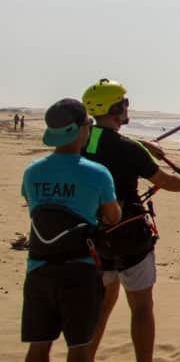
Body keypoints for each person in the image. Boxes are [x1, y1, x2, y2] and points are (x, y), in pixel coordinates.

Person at [79, 79, 180, 362]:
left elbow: (106, 139)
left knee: (102, 304)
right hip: (129, 236)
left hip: (95, 237)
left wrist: (143, 142)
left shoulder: (84, 142)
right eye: (124, 103)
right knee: (140, 306)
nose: (127, 107)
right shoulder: (128, 148)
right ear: (115, 109)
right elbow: (163, 180)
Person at [21, 98, 121, 362]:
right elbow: (113, 217)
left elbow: (34, 205)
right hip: (79, 271)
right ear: (81, 129)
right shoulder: (98, 173)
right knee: (79, 349)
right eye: (89, 123)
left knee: (38, 347)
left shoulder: (32, 172)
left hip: (38, 270)